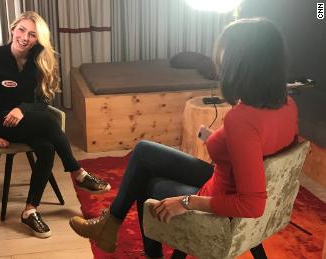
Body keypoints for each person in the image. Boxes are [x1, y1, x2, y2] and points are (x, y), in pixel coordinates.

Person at [69, 18, 298, 259]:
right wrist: (217, 139)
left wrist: (187, 202)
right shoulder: (287, 104)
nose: (221, 65)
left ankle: (121, 233)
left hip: (218, 198)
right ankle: (111, 224)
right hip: (225, 176)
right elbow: (256, 146)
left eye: (225, 58)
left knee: (146, 183)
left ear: (242, 64)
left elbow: (252, 204)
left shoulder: (243, 120)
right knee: (144, 150)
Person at [0, 11, 110, 239]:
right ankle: (77, 172)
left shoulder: (40, 59)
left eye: (32, 34)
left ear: (38, 39)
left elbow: (44, 101)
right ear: (12, 29)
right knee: (49, 121)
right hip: (3, 121)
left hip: (30, 119)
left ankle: (30, 211)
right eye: (21, 30)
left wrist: (23, 109)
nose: (25, 38)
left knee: (47, 149)